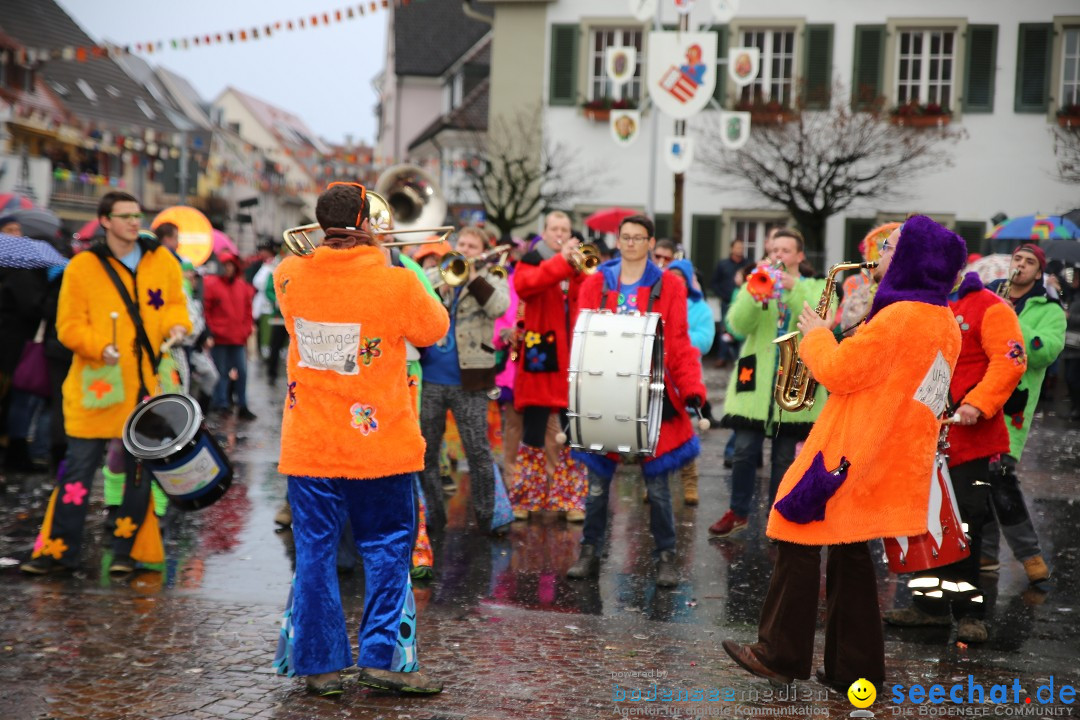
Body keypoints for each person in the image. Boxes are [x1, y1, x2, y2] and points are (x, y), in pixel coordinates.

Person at [721, 216, 968, 689]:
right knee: (851, 559)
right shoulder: (942, 322)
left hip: (847, 456)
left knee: (794, 532)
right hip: (887, 459)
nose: (882, 252)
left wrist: (815, 332)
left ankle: (781, 654)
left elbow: (838, 370)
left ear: (915, 257)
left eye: (892, 245)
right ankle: (853, 671)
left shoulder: (898, 317)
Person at [270, 182, 448, 696]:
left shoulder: (288, 275)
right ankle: (385, 661)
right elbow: (433, 329)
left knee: (315, 554)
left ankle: (320, 667)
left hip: (309, 445)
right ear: (367, 224)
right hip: (379, 447)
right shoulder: (396, 282)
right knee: (389, 550)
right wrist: (405, 268)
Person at [20, 191, 190, 576]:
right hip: (97, 386)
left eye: (137, 214)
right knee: (78, 470)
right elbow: (68, 326)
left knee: (138, 471)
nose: (134, 221)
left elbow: (176, 303)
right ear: (105, 221)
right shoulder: (83, 267)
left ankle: (128, 550)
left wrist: (178, 325)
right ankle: (60, 550)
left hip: (145, 384)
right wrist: (101, 347)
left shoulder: (159, 259)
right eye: (125, 215)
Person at [883, 268, 1026, 643]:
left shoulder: (990, 307)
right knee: (924, 524)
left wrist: (977, 404)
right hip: (922, 436)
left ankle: (970, 614)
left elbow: (1010, 360)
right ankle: (929, 608)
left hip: (969, 439)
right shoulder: (925, 305)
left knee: (966, 527)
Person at [566, 215, 707, 587]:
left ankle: (666, 557)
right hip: (605, 394)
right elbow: (582, 340)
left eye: (637, 238)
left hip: (653, 393)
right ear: (618, 241)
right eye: (624, 237)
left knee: (658, 486)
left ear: (650, 242)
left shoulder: (670, 286)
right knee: (596, 486)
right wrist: (576, 389)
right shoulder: (595, 283)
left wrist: (692, 388)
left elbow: (678, 343)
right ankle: (589, 552)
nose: (630, 243)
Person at [710, 229, 828, 538]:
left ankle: (779, 517)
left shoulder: (816, 286)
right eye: (774, 249)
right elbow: (736, 326)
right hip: (755, 380)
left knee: (784, 457)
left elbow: (824, 318)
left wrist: (794, 289)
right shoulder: (754, 283)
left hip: (795, 381)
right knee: (745, 451)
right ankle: (738, 511)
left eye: (786, 250)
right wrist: (752, 294)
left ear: (800, 256)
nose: (779, 256)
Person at [983, 244, 1067, 584]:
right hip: (979, 397)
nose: (1020, 266)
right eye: (1017, 259)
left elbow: (1044, 351)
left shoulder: (1050, 309)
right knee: (980, 479)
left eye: (1029, 262)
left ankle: (1030, 556)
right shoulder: (990, 294)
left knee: (1001, 477)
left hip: (1011, 407)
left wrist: (1010, 320)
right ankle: (986, 555)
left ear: (1039, 272)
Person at [419, 226, 510, 532]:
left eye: (473, 246)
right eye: (464, 244)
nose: (467, 249)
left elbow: (499, 307)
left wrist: (471, 278)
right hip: (430, 377)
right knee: (427, 452)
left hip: (470, 379)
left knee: (478, 450)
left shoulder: (493, 278)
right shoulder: (437, 274)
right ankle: (433, 516)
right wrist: (443, 287)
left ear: (482, 250)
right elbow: (417, 299)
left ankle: (487, 517)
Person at [508, 211, 588, 523]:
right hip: (544, 355)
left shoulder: (575, 263)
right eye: (554, 228)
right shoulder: (531, 259)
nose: (559, 233)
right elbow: (527, 286)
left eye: (564, 229)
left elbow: (588, 296)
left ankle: (570, 498)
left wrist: (579, 270)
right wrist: (562, 263)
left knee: (570, 433)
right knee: (534, 430)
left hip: (572, 356)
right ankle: (526, 497)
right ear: (545, 232)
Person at [666, 258, 714, 505]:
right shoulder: (659, 302)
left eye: (680, 276)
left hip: (687, 374)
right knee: (659, 431)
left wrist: (678, 340)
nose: (675, 280)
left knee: (687, 432)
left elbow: (705, 340)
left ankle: (689, 482)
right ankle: (657, 480)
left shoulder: (700, 308)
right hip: (662, 374)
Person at [203, 253, 256, 420]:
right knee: (221, 373)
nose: (228, 269)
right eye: (225, 266)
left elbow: (248, 311)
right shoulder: (213, 286)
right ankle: (222, 404)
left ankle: (242, 404)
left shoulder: (242, 286)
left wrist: (246, 330)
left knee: (242, 372)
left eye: (230, 265)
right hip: (220, 339)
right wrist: (212, 331)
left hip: (237, 338)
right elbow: (207, 311)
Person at [710, 238, 755, 368]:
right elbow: (714, 283)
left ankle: (740, 356)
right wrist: (722, 295)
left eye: (741, 247)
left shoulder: (748, 264)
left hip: (743, 301)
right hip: (726, 301)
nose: (739, 250)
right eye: (737, 247)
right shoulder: (723, 264)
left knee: (741, 328)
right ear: (732, 248)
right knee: (725, 328)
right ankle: (722, 356)